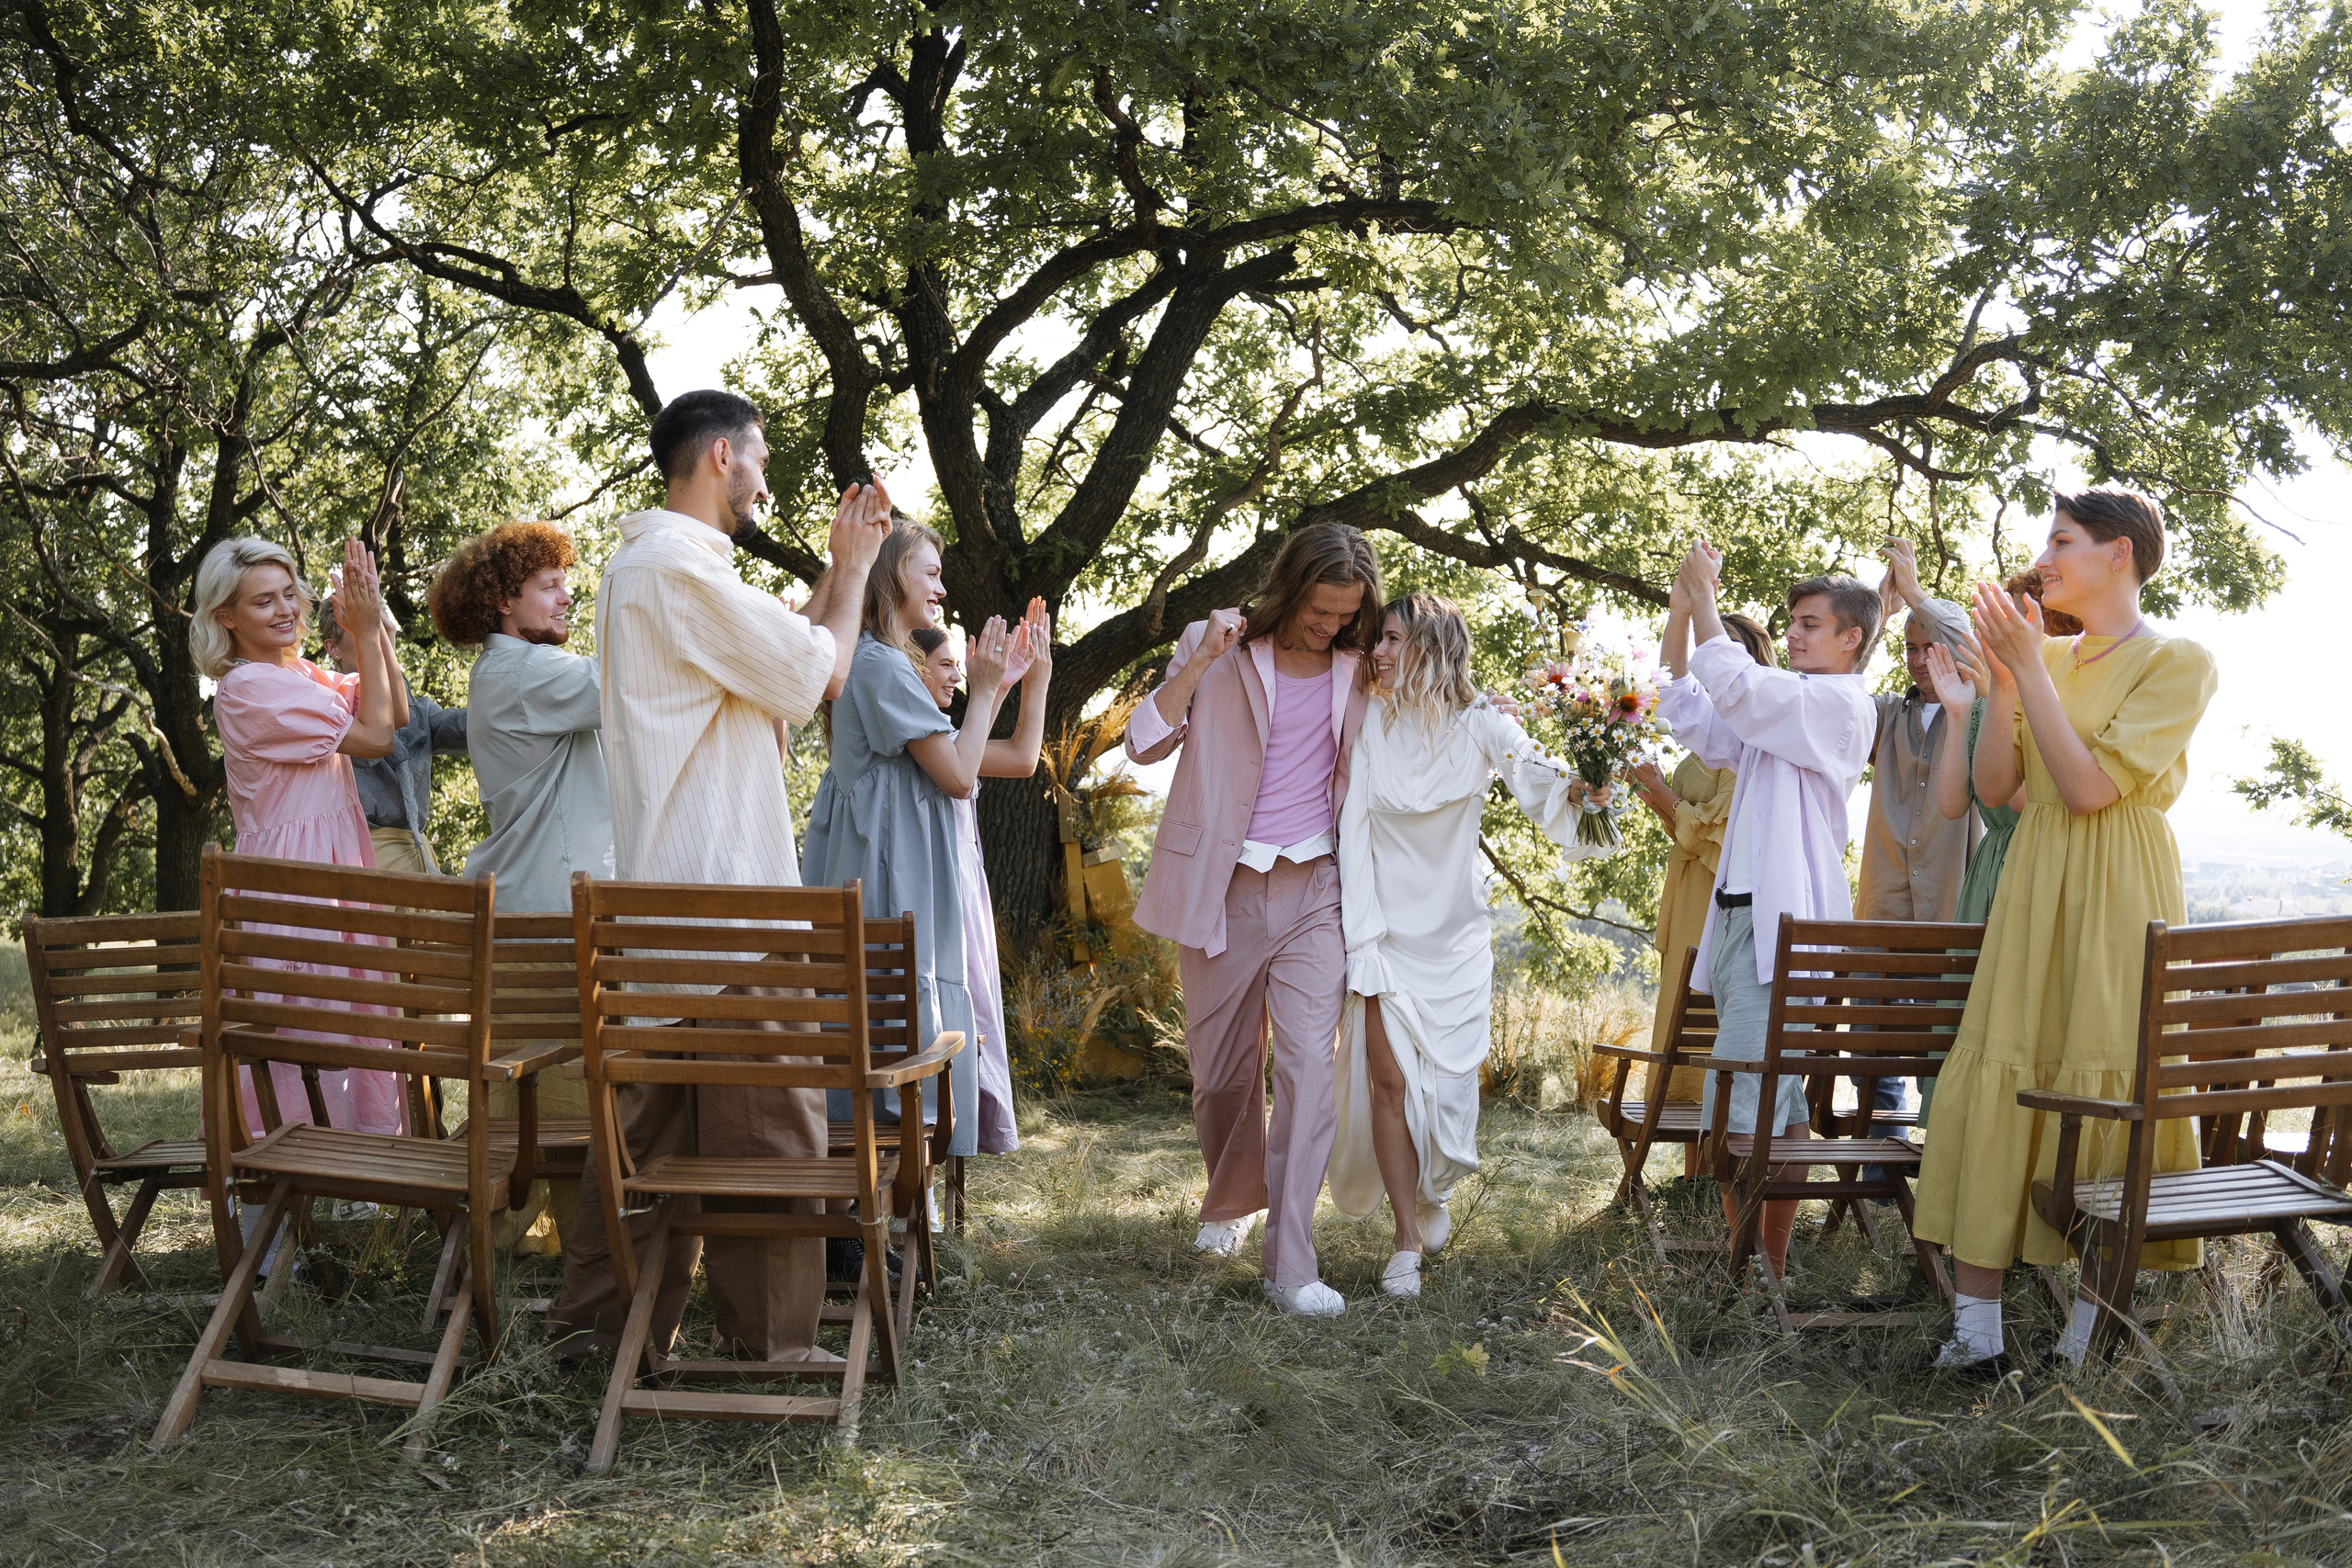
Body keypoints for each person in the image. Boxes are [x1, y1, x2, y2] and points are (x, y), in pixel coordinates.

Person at [548, 389, 890, 1366]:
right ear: (719, 458)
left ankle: (598, 1339)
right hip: (729, 902)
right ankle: (772, 1344)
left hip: (666, 898)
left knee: (647, 1133)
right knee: (767, 1125)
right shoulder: (676, 568)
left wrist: (834, 574)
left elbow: (788, 655)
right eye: (761, 460)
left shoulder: (654, 568)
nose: (765, 482)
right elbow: (821, 675)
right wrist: (854, 570)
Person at [1911, 491, 2216, 1371]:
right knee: (2001, 1064)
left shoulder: (2178, 662)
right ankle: (1976, 1331)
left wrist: (2029, 672)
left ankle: (2086, 1341)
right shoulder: (2039, 657)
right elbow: (1997, 788)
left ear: (2120, 553)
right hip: (2035, 881)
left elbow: (2088, 789)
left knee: (2105, 1073)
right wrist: (2007, 681)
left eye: (2063, 541)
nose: (2043, 559)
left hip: (2120, 891)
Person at [1125, 524, 1384, 1317]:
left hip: (1317, 890)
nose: (1329, 625)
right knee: (1222, 1076)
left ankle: (1290, 1263)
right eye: (1318, 609)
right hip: (1221, 888)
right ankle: (1234, 1196)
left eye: (1345, 613)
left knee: (1307, 1067)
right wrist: (1201, 659)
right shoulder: (1220, 645)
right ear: (1290, 589)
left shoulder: (1362, 666)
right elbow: (1142, 744)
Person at [1329, 593, 1603, 1298]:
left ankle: (1434, 1189)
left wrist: (1584, 788)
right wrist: (1358, 937)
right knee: (1389, 1083)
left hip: (1454, 944)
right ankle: (1404, 1238)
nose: (1378, 651)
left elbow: (1538, 776)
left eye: (1393, 639)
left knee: (1447, 1096)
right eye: (1378, 640)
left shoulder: (1482, 722)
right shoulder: (1365, 722)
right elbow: (1349, 830)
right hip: (1382, 935)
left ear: (1433, 647)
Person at [1654, 542, 1881, 1280]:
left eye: (1810, 624)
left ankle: (1752, 1269)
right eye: (1793, 622)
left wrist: (1708, 599)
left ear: (1851, 637)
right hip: (1738, 920)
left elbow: (1739, 686)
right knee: (1775, 1099)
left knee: (1738, 1105)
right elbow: (1691, 711)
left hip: (1780, 928)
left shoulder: (1839, 704)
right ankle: (1765, 1268)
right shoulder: (1788, 706)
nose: (1793, 634)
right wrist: (1681, 611)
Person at [803, 526, 1040, 1173]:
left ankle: (904, 1187)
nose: (941, 587)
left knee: (894, 1014)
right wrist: (984, 688)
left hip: (894, 868)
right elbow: (959, 776)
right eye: (930, 573)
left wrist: (1015, 680)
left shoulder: (883, 662)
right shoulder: (880, 665)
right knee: (897, 1015)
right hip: (890, 875)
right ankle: (896, 1188)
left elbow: (991, 758)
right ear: (890, 575)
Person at [427, 519, 615, 1254]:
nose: (567, 596)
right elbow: (631, 683)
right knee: (566, 1090)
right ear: (504, 601)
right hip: (547, 915)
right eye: (549, 585)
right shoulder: (526, 672)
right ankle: (587, 1252)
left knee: (531, 1091)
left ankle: (507, 1245)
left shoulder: (510, 672)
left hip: (526, 910)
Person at [196, 534, 410, 1139]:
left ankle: (354, 1165)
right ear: (227, 617)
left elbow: (395, 713)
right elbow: (376, 739)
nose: (285, 609)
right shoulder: (250, 688)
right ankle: (289, 1168)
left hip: (334, 867)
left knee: (352, 1019)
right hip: (294, 879)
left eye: (289, 593)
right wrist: (364, 633)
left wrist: (374, 627)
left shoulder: (300, 674)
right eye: (264, 600)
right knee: (305, 1030)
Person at [1913, 570, 2082, 1130]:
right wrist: (1962, 713)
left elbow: (2028, 801)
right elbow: (1951, 804)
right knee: (1968, 1018)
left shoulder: (2059, 700)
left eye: (2008, 619)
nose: (1991, 634)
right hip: (1990, 876)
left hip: (2039, 866)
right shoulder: (1988, 697)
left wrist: (1997, 694)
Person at [1625, 612, 1776, 1143]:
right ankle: (1691, 1167)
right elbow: (1685, 830)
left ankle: (1711, 1155)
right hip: (1688, 891)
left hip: (1721, 898)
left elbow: (1720, 834)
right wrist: (1649, 789)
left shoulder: (1750, 742)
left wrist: (1662, 792)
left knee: (1706, 1022)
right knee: (1677, 1016)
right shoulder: (1706, 735)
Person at [1847, 540, 1976, 1156]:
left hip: (1953, 913)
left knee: (1945, 1050)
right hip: (1882, 911)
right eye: (1912, 648)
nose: (1921, 659)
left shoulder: (1977, 717)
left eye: (1932, 646)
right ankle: (1881, 1171)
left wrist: (1917, 592)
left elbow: (1970, 641)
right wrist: (1881, 609)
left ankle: (1943, 1170)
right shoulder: (1884, 716)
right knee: (1871, 1049)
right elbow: (1837, 686)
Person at [908, 620, 1051, 1157]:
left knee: (972, 1011)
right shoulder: (919, 740)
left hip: (965, 888)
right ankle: (933, 1143)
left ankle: (957, 1132)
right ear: (913, 668)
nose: (956, 675)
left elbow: (1015, 755)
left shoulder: (944, 737)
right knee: (947, 1013)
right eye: (945, 665)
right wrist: (1023, 683)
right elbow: (1016, 758)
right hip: (941, 890)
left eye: (956, 665)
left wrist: (1018, 682)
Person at [321, 594, 468, 875]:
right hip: (360, 860)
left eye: (377, 624)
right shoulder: (328, 707)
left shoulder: (417, 711)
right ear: (333, 648)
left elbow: (474, 727)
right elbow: (372, 747)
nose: (373, 635)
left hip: (418, 861)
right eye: (360, 626)